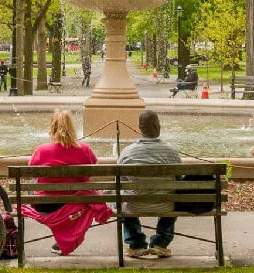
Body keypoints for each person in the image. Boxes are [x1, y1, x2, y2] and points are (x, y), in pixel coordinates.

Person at [22, 109, 111, 255]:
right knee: (86, 193)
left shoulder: (41, 150)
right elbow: (91, 171)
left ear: (52, 128)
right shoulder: (85, 149)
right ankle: (66, 238)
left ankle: (62, 239)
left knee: (33, 186)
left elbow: (31, 171)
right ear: (72, 127)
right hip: (75, 203)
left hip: (44, 204)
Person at [117, 110, 181, 258]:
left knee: (122, 198)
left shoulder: (127, 152)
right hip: (165, 205)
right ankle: (161, 242)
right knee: (175, 195)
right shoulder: (171, 152)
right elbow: (179, 180)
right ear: (156, 126)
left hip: (134, 205)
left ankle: (136, 244)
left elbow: (119, 181)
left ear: (140, 128)